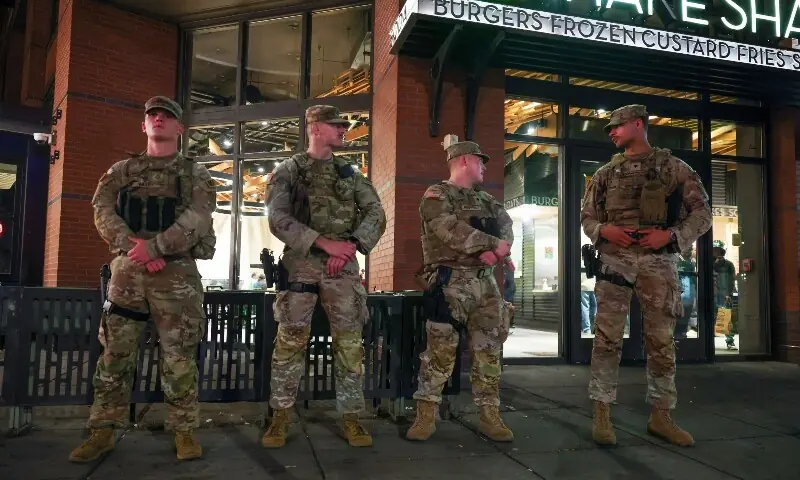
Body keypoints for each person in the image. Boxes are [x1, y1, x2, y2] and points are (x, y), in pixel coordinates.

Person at [69, 96, 217, 462]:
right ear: (144, 125)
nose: (159, 120)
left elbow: (198, 218)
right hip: (128, 272)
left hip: (176, 273)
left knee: (179, 356)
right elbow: (101, 210)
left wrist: (157, 248)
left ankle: (184, 432)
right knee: (115, 356)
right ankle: (102, 430)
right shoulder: (121, 171)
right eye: (153, 115)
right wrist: (135, 246)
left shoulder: (196, 174)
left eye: (167, 116)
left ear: (180, 128)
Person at [581, 104, 711, 447]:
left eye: (618, 125)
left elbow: (702, 214)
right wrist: (605, 230)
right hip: (614, 262)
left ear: (639, 125)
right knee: (606, 340)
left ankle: (661, 415)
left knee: (661, 341)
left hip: (658, 261)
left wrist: (669, 236)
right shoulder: (605, 174)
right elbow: (587, 218)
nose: (611, 131)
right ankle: (602, 414)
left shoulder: (673, 168)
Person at [261, 105, 386, 448]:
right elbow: (277, 218)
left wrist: (350, 246)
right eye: (336, 125)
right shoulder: (289, 170)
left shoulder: (349, 174)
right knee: (289, 344)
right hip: (300, 265)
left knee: (349, 345)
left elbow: (376, 211)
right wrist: (324, 244)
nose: (343, 129)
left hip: (342, 268)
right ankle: (280, 417)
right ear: (315, 129)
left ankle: (351, 418)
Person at [405, 137, 515, 443]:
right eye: (480, 161)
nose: (483, 167)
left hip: (486, 283)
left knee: (489, 351)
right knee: (439, 352)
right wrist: (492, 245)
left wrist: (496, 252)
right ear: (465, 160)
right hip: (449, 282)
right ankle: (425, 414)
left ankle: (489, 414)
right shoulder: (437, 195)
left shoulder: (488, 201)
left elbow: (507, 229)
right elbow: (449, 230)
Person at [712, 240, 737, 349]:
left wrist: (729, 294)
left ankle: (730, 341)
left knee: (726, 317)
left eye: (719, 251)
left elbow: (731, 280)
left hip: (723, 294)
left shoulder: (729, 265)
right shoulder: (708, 263)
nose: (717, 253)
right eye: (715, 251)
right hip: (711, 294)